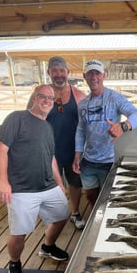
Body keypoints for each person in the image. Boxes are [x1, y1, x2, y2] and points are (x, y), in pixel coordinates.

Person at [0, 85, 70, 273]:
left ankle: (48, 247)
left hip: (48, 185)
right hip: (21, 189)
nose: (47, 100)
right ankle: (15, 263)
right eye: (42, 96)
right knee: (19, 233)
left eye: (50, 98)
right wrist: (2, 180)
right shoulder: (17, 118)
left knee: (63, 215)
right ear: (34, 98)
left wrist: (60, 183)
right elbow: (2, 148)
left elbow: (51, 157)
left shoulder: (48, 127)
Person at [72, 59, 137, 208]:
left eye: (97, 73)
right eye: (90, 73)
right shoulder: (83, 104)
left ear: (104, 75)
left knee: (109, 199)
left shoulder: (114, 97)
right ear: (84, 76)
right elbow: (80, 130)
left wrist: (123, 126)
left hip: (110, 161)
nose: (94, 77)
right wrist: (77, 155)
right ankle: (93, 219)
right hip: (88, 161)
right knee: (91, 196)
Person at [27, 56, 86, 230]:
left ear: (68, 72)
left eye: (62, 71)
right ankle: (53, 218)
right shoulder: (39, 94)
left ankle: (75, 213)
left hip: (73, 149)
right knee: (50, 185)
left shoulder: (79, 95)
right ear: (49, 73)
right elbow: (30, 119)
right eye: (54, 71)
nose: (58, 74)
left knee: (75, 183)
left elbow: (87, 122)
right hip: (47, 151)